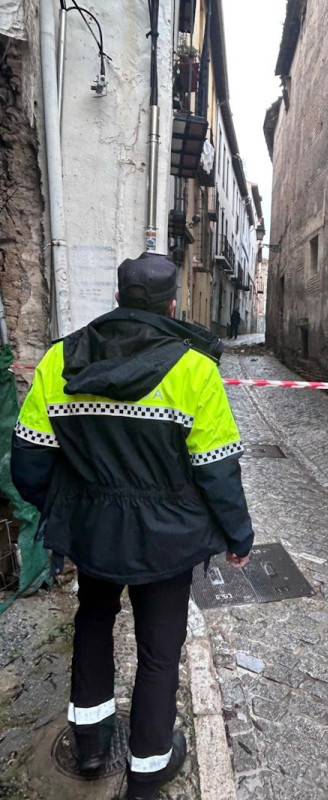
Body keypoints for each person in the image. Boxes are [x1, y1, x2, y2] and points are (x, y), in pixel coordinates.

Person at [11, 253, 254, 800]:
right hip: (167, 540)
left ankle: (92, 746)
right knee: (160, 651)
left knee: (93, 623)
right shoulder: (195, 369)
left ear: (117, 298)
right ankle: (147, 773)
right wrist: (238, 535)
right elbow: (217, 469)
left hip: (93, 531)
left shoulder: (58, 360)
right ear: (173, 304)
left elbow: (27, 465)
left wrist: (70, 507)